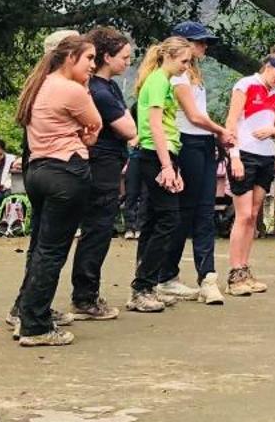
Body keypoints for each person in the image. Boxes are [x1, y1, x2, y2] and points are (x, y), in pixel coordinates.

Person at [11, 33, 102, 347]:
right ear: (70, 57)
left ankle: (27, 312)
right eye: (89, 58)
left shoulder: (40, 85)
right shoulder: (71, 90)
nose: (93, 65)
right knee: (52, 252)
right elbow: (95, 124)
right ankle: (35, 326)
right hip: (66, 170)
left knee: (41, 247)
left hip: (37, 171)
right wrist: (84, 135)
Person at [68, 26, 137, 322]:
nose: (128, 63)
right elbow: (129, 129)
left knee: (100, 229)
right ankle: (84, 296)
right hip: (100, 166)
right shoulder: (97, 90)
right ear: (107, 57)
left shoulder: (110, 88)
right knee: (97, 229)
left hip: (112, 162)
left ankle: (87, 292)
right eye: (124, 57)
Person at [169, 22, 239, 306]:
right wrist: (222, 130)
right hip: (187, 142)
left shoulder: (195, 76)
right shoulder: (177, 79)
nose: (204, 47)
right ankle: (166, 274)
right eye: (199, 42)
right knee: (186, 211)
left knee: (204, 210)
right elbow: (194, 116)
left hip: (203, 143)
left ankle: (207, 274)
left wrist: (217, 136)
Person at [126, 37, 189, 313]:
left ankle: (147, 285)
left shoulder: (162, 81)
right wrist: (167, 166)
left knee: (154, 219)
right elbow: (154, 125)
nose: (187, 67)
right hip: (155, 154)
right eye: (184, 61)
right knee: (169, 218)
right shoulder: (158, 82)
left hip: (163, 154)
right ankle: (143, 286)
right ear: (169, 57)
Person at [225, 49, 275, 296]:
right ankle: (235, 273)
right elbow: (230, 123)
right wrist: (234, 156)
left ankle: (244, 267)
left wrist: (271, 131)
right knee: (242, 215)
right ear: (267, 66)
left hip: (266, 156)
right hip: (245, 155)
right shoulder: (245, 85)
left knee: (253, 215)